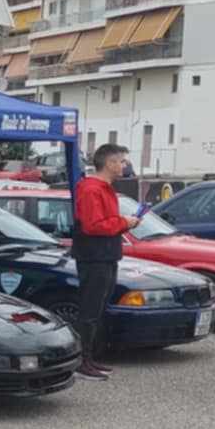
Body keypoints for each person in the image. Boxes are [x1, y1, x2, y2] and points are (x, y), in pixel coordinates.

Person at [71, 144, 140, 380]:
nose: (124, 165)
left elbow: (106, 221)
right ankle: (81, 361)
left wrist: (126, 222)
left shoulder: (104, 188)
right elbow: (93, 225)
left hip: (107, 254)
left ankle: (89, 358)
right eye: (121, 161)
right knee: (89, 310)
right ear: (109, 163)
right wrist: (124, 223)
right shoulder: (91, 189)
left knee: (98, 309)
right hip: (94, 256)